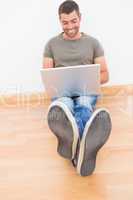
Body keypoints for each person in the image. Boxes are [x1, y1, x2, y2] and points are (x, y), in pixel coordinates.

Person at [43, 0, 112, 176]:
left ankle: (72, 146)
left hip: (86, 90)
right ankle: (83, 150)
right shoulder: (51, 44)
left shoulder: (93, 43)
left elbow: (105, 75)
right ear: (60, 21)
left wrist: (88, 80)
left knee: (83, 103)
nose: (70, 26)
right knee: (64, 105)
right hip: (62, 92)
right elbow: (47, 76)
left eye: (74, 21)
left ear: (80, 18)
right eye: (65, 22)